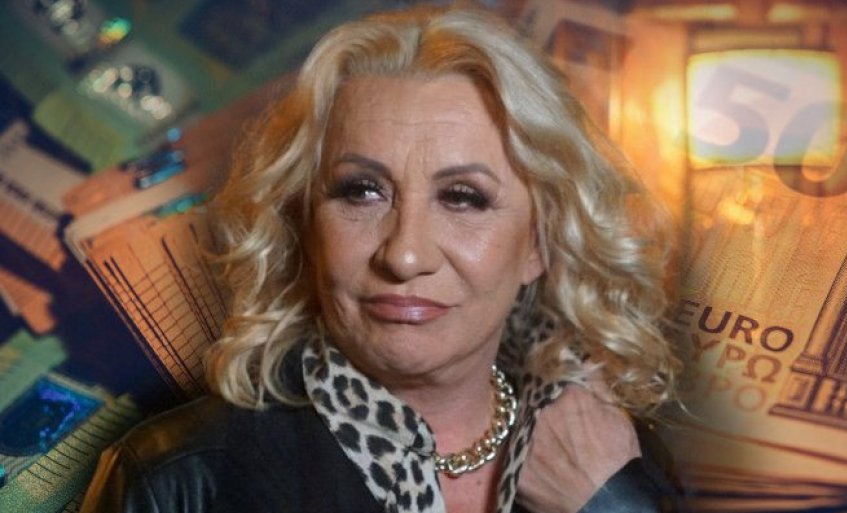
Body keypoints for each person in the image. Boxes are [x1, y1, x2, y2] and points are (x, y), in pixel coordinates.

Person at [80, 6, 680, 513]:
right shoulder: (179, 478)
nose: (405, 253)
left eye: (463, 197)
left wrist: (611, 503)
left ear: (539, 243)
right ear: (306, 223)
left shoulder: (612, 458)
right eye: (361, 191)